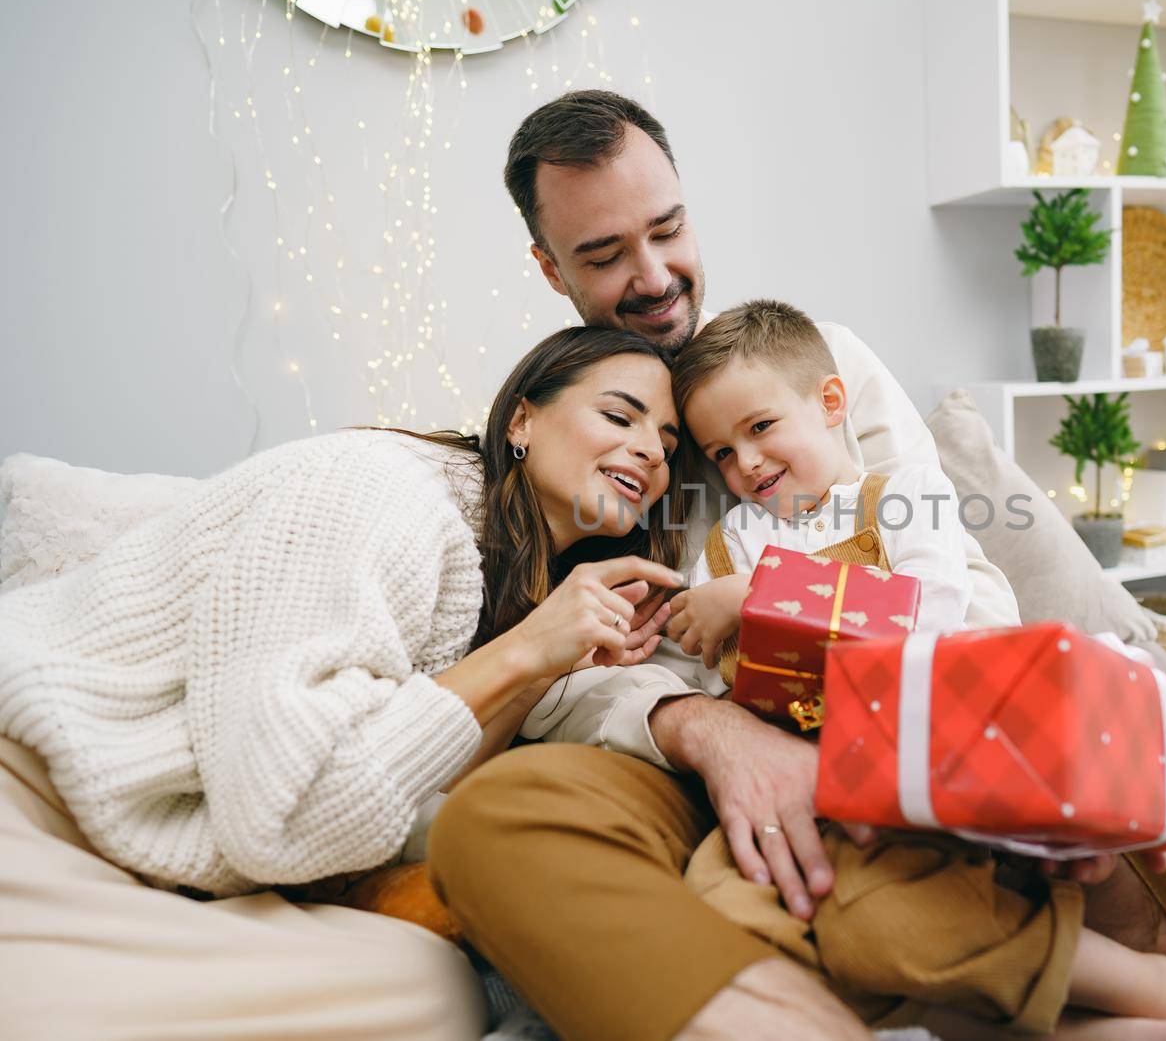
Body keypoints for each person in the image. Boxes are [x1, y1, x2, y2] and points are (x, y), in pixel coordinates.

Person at [427, 90, 1166, 1041]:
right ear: (549, 268)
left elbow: (952, 589)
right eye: (604, 254)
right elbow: (564, 675)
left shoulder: (812, 362)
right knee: (527, 827)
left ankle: (1025, 953)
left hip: (939, 727)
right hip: (740, 773)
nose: (655, 274)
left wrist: (1023, 772)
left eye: (667, 230)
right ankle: (1036, 976)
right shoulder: (569, 426)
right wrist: (710, 728)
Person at [0, 327, 688, 1039]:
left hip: (171, 855)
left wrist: (541, 661)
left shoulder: (508, 580)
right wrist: (524, 651)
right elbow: (280, 810)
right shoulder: (385, 489)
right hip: (39, 785)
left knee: (435, 986)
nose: (649, 451)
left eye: (668, 447)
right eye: (619, 415)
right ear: (521, 418)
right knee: (431, 993)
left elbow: (394, 802)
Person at [659, 298, 1166, 1040]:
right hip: (809, 785)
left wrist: (759, 597)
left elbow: (928, 618)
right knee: (726, 902)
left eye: (759, 428)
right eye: (720, 452)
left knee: (897, 900)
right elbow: (712, 670)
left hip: (925, 762)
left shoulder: (902, 498)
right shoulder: (730, 543)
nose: (746, 462)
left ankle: (1160, 991)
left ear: (829, 403)